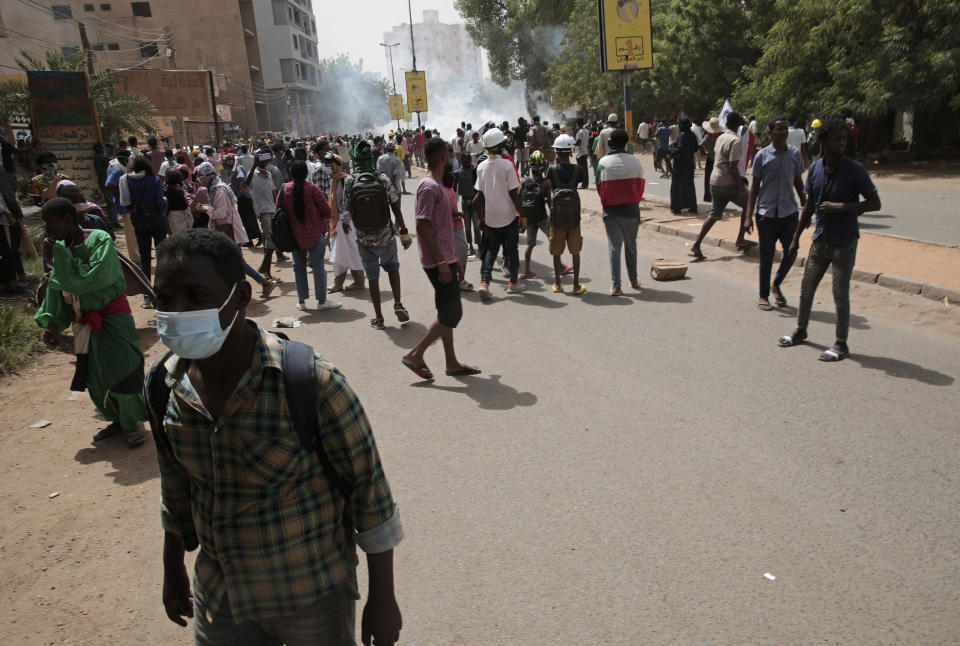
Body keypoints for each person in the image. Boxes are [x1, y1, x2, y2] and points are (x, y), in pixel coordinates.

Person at [148, 229, 404, 645]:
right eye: (164, 300)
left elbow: (370, 494)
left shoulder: (310, 383)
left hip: (311, 596)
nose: (177, 312)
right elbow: (175, 487)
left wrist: (383, 599)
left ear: (241, 297)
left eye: (196, 297)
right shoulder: (163, 386)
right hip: (221, 598)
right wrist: (172, 567)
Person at [35, 197, 148, 447]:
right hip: (82, 321)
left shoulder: (99, 239)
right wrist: (52, 323)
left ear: (68, 219)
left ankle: (132, 423)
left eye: (51, 224)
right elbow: (58, 287)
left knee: (123, 369)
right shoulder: (60, 247)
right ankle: (117, 420)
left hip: (112, 317)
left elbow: (90, 279)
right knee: (94, 374)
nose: (48, 231)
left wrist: (62, 254)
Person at [778, 119, 881, 362]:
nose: (842, 143)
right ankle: (801, 330)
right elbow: (809, 206)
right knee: (806, 289)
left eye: (844, 138)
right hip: (821, 238)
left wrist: (844, 207)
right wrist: (796, 238)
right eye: (837, 139)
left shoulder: (854, 169)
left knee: (840, 293)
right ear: (824, 142)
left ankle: (841, 343)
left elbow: (875, 203)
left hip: (844, 240)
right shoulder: (815, 169)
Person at [402, 138, 479, 381]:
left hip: (444, 258)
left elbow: (436, 223)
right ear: (444, 157)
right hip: (438, 263)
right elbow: (422, 227)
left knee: (446, 311)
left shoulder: (436, 185)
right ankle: (416, 354)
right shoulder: (429, 187)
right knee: (452, 313)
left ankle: (451, 363)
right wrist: (443, 263)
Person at [343, 141, 412, 329]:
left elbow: (347, 208)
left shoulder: (350, 181)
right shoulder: (382, 179)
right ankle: (398, 303)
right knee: (392, 268)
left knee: (373, 277)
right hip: (386, 235)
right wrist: (403, 231)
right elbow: (395, 207)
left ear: (355, 159)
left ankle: (379, 318)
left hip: (364, 237)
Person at [744, 116, 806, 311]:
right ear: (770, 132)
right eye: (778, 129)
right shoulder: (762, 156)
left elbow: (798, 183)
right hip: (766, 214)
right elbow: (754, 189)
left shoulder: (794, 155)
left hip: (789, 213)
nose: (783, 132)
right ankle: (763, 295)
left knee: (791, 252)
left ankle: (776, 283)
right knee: (767, 256)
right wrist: (748, 216)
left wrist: (806, 205)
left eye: (785, 129)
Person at [195, 162, 277, 299]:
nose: (200, 181)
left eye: (202, 178)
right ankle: (259, 285)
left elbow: (221, 213)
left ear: (208, 176)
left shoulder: (220, 190)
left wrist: (205, 209)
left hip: (229, 231)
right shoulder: (214, 189)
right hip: (224, 230)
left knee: (238, 263)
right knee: (237, 262)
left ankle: (258, 286)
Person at [277, 160, 340, 312]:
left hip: (294, 237)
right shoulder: (313, 189)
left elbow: (278, 209)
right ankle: (322, 301)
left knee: (298, 268)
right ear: (306, 173)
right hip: (314, 234)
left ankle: (302, 301)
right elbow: (327, 211)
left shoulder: (285, 189)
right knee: (318, 267)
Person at [474, 128, 525, 299]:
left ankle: (484, 282)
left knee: (491, 250)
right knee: (512, 250)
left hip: (491, 217)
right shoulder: (507, 165)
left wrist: (481, 217)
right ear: (500, 145)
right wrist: (521, 215)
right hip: (508, 217)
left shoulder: (481, 167)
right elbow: (513, 194)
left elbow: (478, 197)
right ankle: (512, 284)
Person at [690, 111, 747, 260]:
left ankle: (697, 244)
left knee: (714, 214)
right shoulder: (735, 140)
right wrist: (740, 187)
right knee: (749, 204)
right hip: (728, 182)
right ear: (738, 125)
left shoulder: (721, 137)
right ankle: (740, 239)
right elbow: (732, 166)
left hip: (715, 180)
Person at [596, 129, 645, 296]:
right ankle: (634, 280)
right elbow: (640, 187)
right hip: (631, 210)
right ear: (626, 142)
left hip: (611, 210)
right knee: (631, 246)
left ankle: (616, 286)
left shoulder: (603, 162)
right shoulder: (636, 161)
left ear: (611, 143)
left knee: (614, 248)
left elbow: (599, 186)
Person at [546, 135, 587, 295]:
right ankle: (576, 285)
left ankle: (558, 284)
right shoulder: (578, 169)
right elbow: (581, 182)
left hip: (556, 217)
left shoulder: (552, 169)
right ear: (571, 151)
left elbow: (550, 187)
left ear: (556, 152)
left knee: (557, 251)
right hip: (573, 217)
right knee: (575, 251)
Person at [119, 155, 167, 286]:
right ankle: (162, 285)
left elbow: (125, 203)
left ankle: (147, 292)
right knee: (161, 254)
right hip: (156, 220)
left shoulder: (126, 180)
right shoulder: (153, 179)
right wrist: (164, 203)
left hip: (139, 221)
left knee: (144, 256)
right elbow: (159, 203)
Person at [326, 153, 365, 293]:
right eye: (326, 164)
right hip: (337, 222)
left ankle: (357, 281)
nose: (327, 167)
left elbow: (351, 201)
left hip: (346, 222)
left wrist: (346, 219)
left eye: (330, 164)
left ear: (337, 165)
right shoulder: (333, 181)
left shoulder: (345, 180)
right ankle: (341, 282)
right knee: (340, 253)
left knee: (349, 252)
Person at [247, 152, 281, 280]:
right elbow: (246, 182)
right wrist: (253, 166)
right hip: (264, 213)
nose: (265, 161)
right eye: (262, 159)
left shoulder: (268, 175)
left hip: (272, 211)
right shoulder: (253, 175)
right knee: (271, 241)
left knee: (270, 242)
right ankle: (265, 271)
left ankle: (264, 268)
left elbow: (273, 192)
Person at [518, 150, 550, 281]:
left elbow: (519, 201)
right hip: (542, 218)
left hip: (530, 219)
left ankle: (526, 272)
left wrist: (523, 221)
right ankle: (560, 266)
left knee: (530, 245)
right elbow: (550, 202)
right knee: (553, 240)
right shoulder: (546, 183)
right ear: (543, 167)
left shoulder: (524, 182)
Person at [669, 116, 699, 214]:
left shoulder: (682, 135)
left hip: (680, 164)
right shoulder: (692, 134)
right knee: (689, 185)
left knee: (677, 186)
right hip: (690, 163)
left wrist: (671, 150)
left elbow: (680, 150)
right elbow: (695, 148)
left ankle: (677, 208)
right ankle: (692, 206)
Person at [455, 152, 480, 258]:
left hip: (475, 202)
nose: (468, 161)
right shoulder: (458, 173)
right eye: (465, 159)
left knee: (476, 226)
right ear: (461, 161)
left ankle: (479, 245)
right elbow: (453, 189)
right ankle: (470, 246)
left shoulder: (475, 171)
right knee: (468, 227)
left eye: (469, 159)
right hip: (465, 202)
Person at [164, 169, 192, 235]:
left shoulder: (180, 187)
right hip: (176, 221)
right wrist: (168, 229)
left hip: (185, 218)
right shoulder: (166, 192)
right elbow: (165, 212)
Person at [700, 117, 722, 203]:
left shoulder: (708, 136)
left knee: (709, 179)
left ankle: (709, 197)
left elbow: (700, 144)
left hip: (710, 159)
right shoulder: (721, 136)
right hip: (719, 159)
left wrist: (705, 152)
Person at [574, 119, 591, 189]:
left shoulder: (579, 132)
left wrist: (572, 144)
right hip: (585, 151)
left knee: (581, 170)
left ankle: (583, 184)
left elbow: (578, 142)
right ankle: (585, 184)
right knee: (585, 169)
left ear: (577, 124)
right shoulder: (587, 131)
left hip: (580, 153)